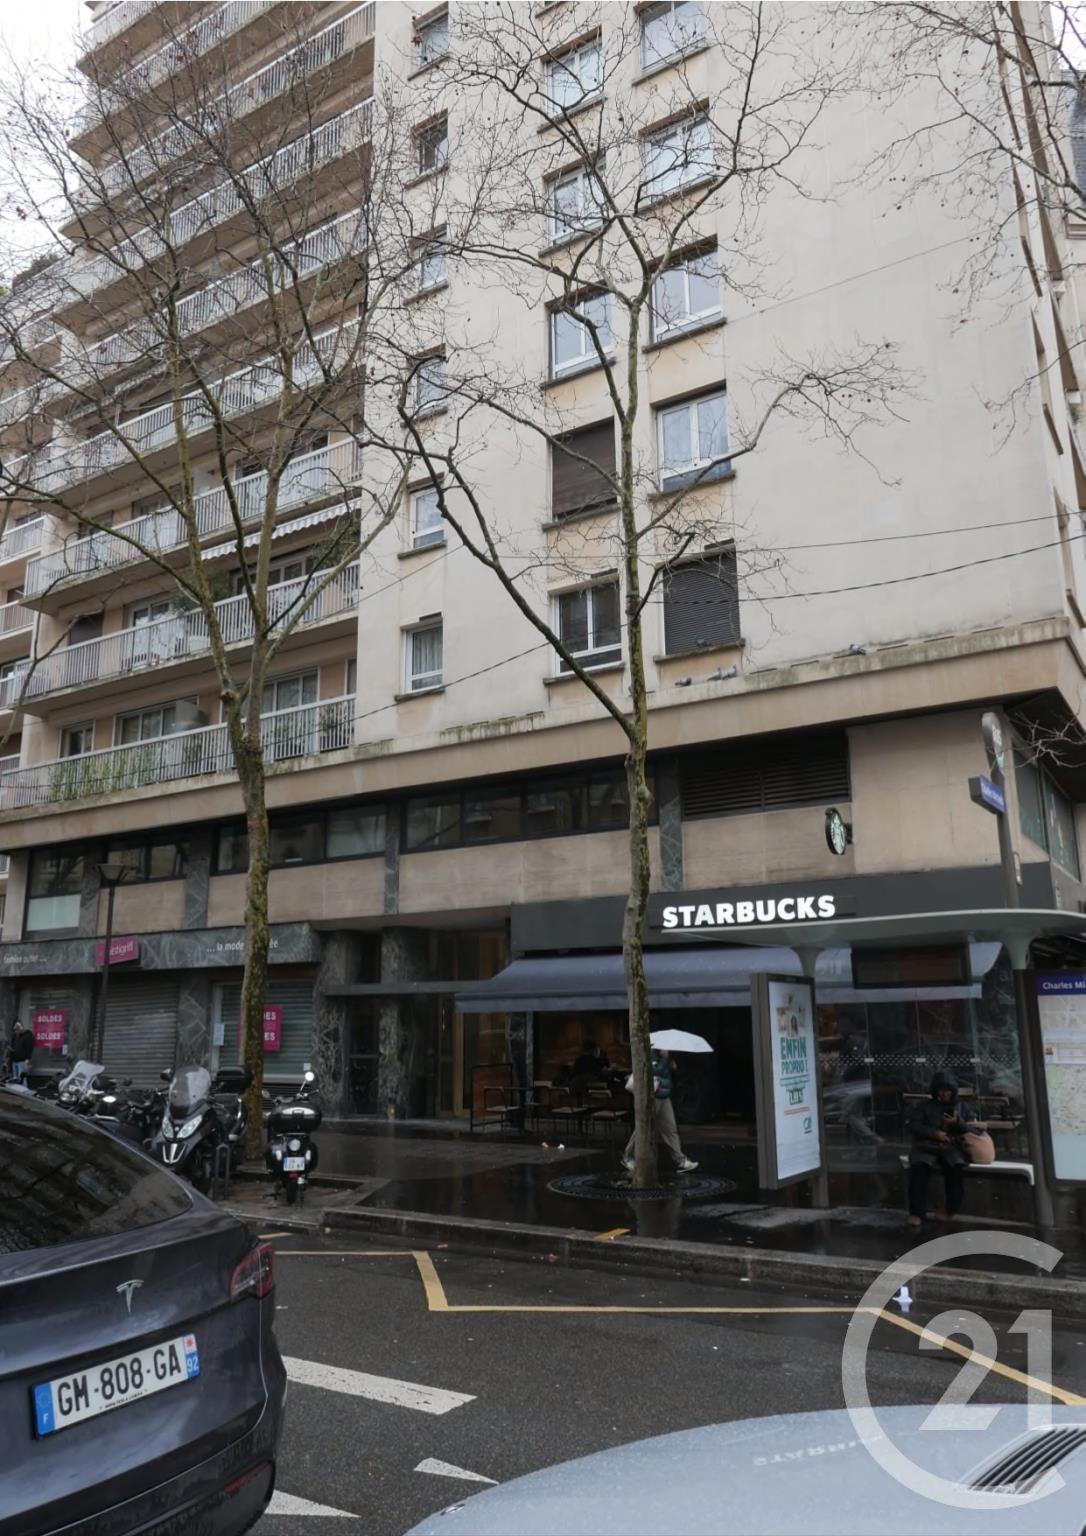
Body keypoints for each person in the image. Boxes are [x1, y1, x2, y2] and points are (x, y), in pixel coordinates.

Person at [906, 1071, 984, 1227]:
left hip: (951, 1147)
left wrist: (957, 1123)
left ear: (953, 1091)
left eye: (947, 1090)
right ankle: (917, 1212)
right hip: (928, 1146)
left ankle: (950, 1209)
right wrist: (934, 1134)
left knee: (955, 1170)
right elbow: (913, 1125)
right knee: (919, 1170)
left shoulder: (963, 1107)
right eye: (941, 1090)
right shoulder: (925, 1106)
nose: (944, 1094)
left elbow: (975, 1129)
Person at [622, 1048, 698, 1174]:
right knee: (643, 1127)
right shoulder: (650, 1053)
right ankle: (627, 1156)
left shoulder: (664, 1056)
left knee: (670, 1129)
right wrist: (665, 1059)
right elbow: (653, 1071)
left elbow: (665, 1076)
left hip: (664, 1097)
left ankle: (680, 1160)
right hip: (653, 1097)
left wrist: (671, 1067)